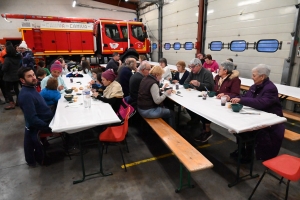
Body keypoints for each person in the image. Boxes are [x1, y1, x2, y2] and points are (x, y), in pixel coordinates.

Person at [231, 64, 285, 162]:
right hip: (256, 115)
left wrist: (241, 100)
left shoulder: (270, 88)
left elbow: (261, 103)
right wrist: (234, 97)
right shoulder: (255, 86)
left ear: (262, 76)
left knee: (247, 131)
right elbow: (247, 97)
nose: (252, 77)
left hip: (270, 121)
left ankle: (248, 155)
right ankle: (242, 150)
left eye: (254, 75)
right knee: (238, 128)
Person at [194, 61, 241, 142]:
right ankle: (206, 130)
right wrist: (211, 93)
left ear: (225, 71)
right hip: (216, 102)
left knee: (207, 111)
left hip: (226, 105)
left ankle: (206, 131)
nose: (218, 70)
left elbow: (236, 94)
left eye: (220, 69)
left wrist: (225, 94)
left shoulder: (235, 80)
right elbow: (216, 90)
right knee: (201, 109)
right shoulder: (218, 78)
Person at [18, 67, 53, 167]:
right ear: (22, 80)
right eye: (29, 76)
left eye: (33, 75)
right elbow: (32, 119)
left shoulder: (31, 89)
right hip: (43, 124)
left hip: (46, 119)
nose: (33, 78)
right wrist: (49, 127)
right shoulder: (26, 96)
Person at [184, 58, 214, 125]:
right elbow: (186, 82)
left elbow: (210, 86)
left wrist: (199, 84)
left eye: (193, 67)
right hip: (194, 95)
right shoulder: (192, 72)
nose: (191, 69)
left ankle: (202, 124)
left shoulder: (207, 73)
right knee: (185, 104)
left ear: (199, 65)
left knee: (201, 110)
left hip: (204, 97)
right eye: (190, 67)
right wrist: (193, 87)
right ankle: (194, 119)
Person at [2, 44, 23, 110]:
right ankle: (18, 102)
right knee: (16, 89)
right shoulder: (18, 57)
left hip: (8, 77)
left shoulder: (7, 58)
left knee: (8, 90)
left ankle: (12, 103)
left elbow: (4, 68)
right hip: (16, 76)